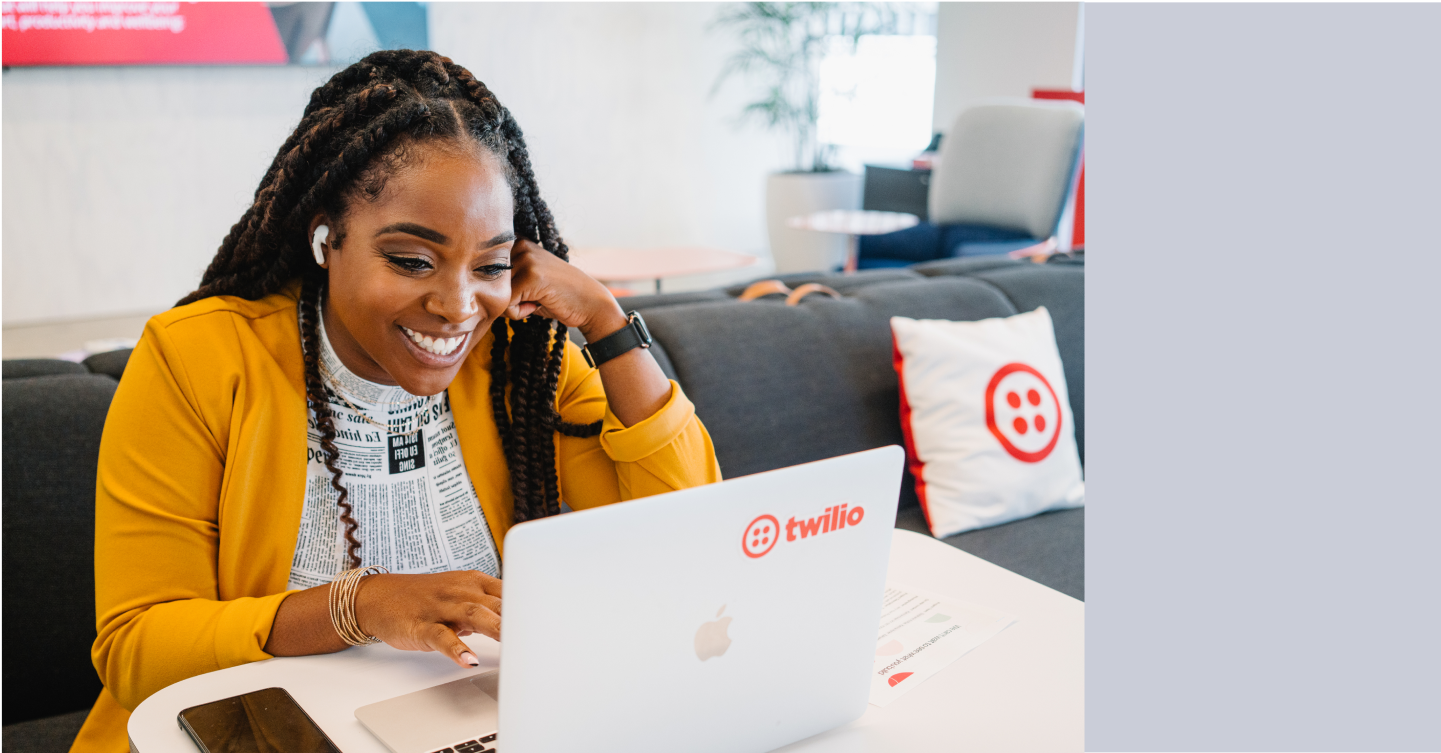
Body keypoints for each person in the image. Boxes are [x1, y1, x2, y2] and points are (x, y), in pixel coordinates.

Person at [70, 50, 721, 752]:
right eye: (412, 259)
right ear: (327, 236)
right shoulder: (198, 356)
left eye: (492, 263)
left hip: (459, 726)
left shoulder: (520, 358)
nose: (456, 306)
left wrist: (604, 321)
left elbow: (687, 550)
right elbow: (137, 648)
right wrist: (360, 605)